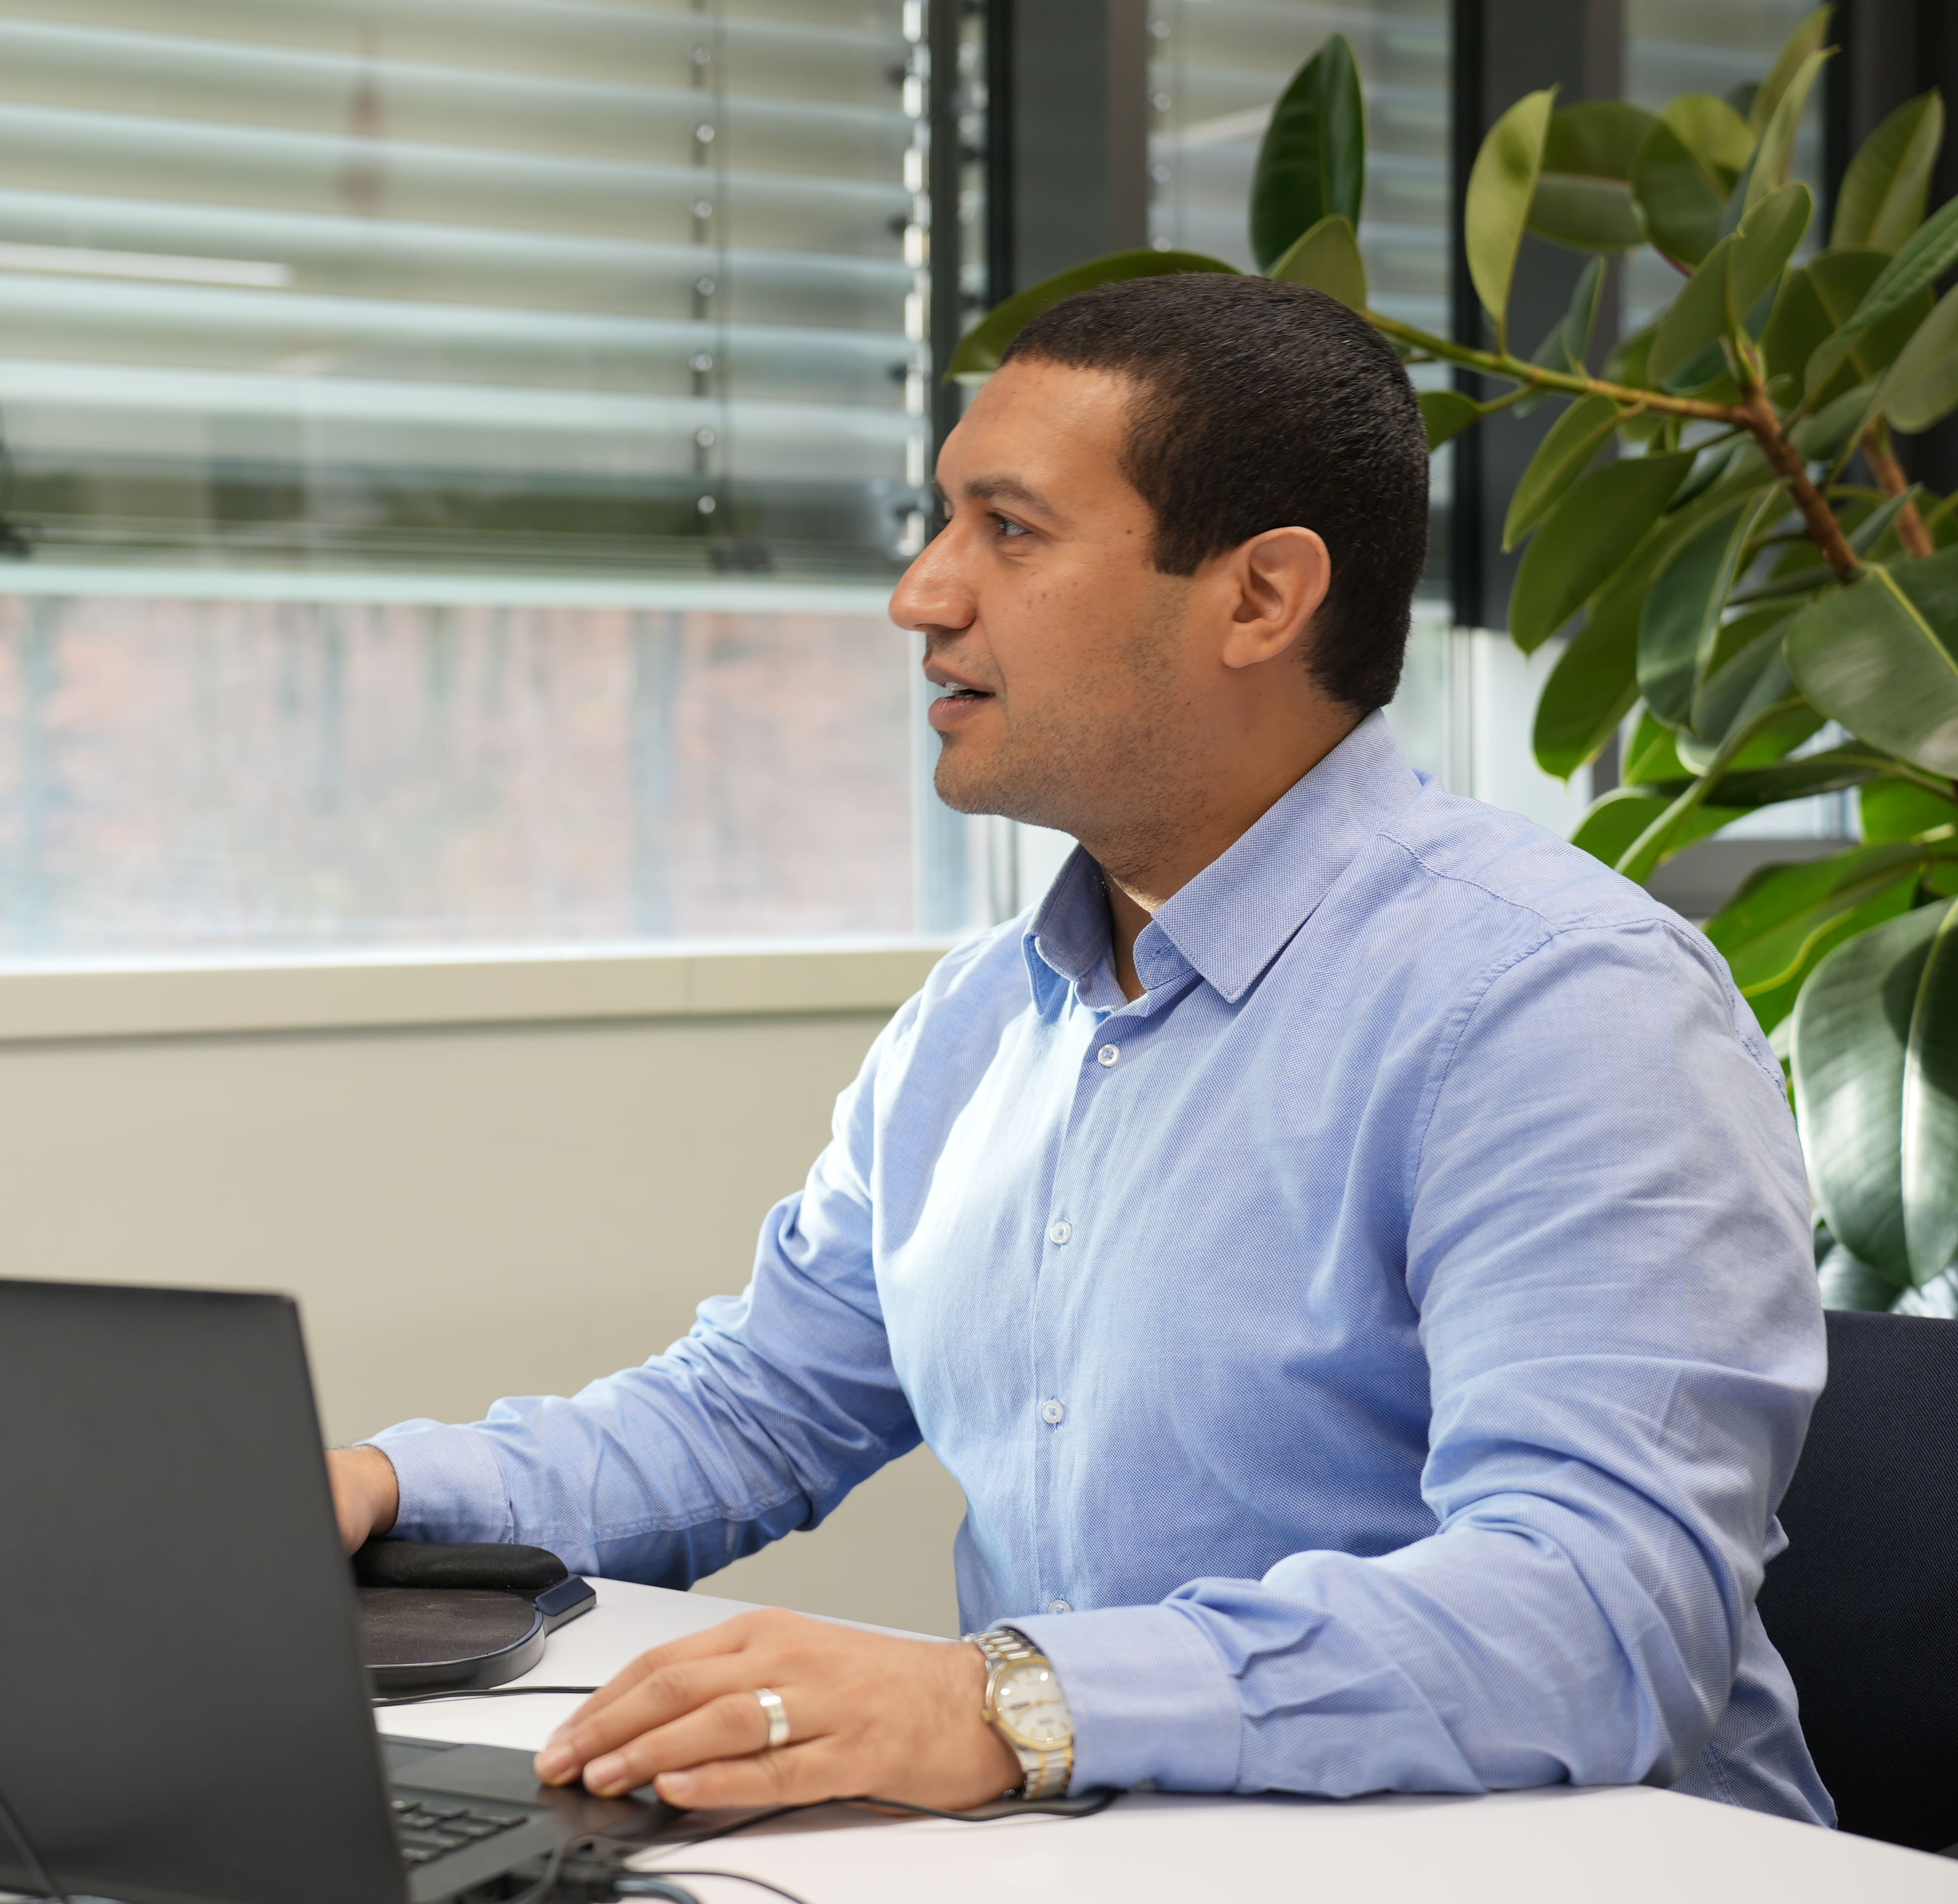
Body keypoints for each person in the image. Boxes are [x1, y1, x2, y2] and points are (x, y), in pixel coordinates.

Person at [329, 274, 1830, 1825]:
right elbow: (759, 1409)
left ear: (1261, 597)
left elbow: (1599, 1621)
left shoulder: (1561, 1001)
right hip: (1115, 1874)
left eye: (1011, 531)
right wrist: (379, 1486)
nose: (923, 595)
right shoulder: (981, 1021)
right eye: (941, 525)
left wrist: (1003, 1699)